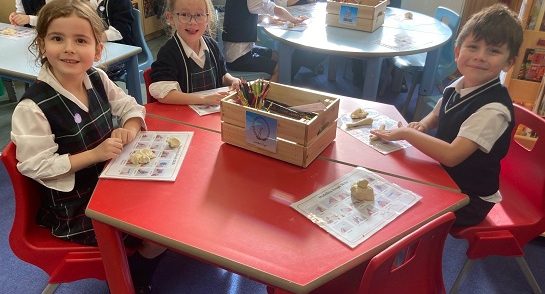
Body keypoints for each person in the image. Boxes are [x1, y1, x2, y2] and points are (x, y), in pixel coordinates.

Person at [10, 0, 164, 292]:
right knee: (159, 231)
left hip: (110, 181)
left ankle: (136, 261)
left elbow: (130, 105)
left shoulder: (97, 77)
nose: (69, 48)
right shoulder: (33, 107)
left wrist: (129, 128)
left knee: (167, 204)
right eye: (57, 38)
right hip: (79, 207)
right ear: (42, 44)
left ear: (97, 50)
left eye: (80, 40)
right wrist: (95, 153)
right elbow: (35, 165)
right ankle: (134, 276)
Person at [370, 4, 523, 227]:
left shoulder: (493, 110)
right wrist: (422, 125)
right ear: (457, 52)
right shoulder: (460, 84)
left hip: (470, 198)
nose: (480, 57)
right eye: (473, 47)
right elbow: (438, 111)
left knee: (400, 210)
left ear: (509, 63)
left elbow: (452, 155)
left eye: (493, 51)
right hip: (447, 176)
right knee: (393, 177)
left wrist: (406, 134)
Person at [149, 0, 241, 105]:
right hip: (184, 117)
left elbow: (222, 75)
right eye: (184, 14)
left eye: (199, 15)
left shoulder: (212, 46)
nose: (193, 22)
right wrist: (203, 99)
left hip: (211, 116)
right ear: (170, 18)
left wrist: (232, 80)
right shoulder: (168, 53)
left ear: (207, 18)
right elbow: (164, 94)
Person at [222, 0, 307, 82]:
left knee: (276, 55)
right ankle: (271, 94)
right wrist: (294, 19)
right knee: (280, 68)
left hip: (238, 51)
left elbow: (244, 14)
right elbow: (276, 9)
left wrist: (268, 18)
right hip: (238, 58)